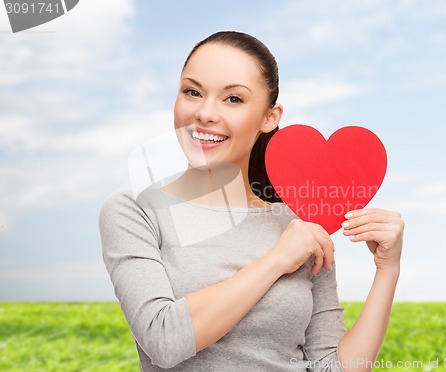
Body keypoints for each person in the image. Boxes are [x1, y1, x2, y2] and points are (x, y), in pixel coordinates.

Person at [99, 31, 404, 372]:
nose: (205, 113)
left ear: (270, 117)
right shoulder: (135, 211)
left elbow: (332, 367)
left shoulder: (300, 224)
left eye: (233, 99)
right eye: (193, 92)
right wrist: (275, 260)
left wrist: (387, 270)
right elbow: (164, 340)